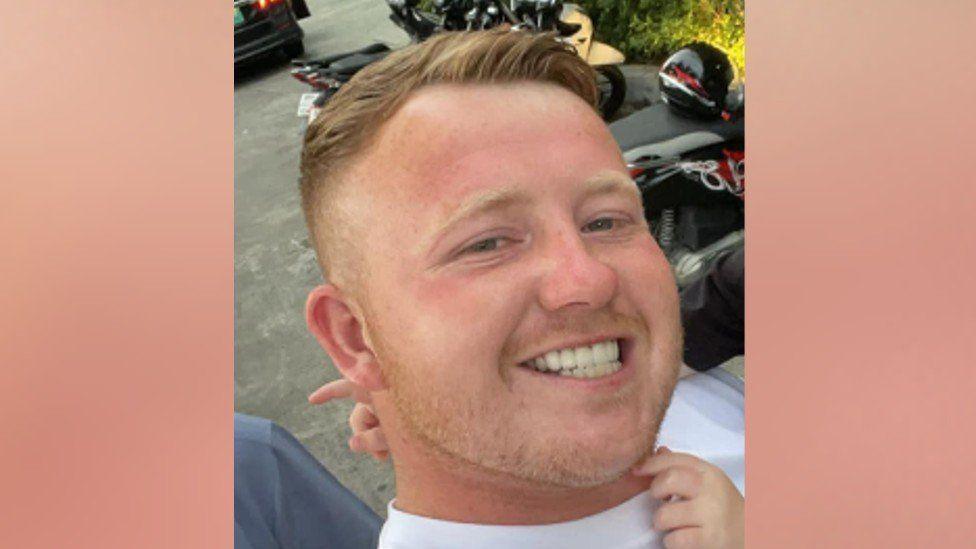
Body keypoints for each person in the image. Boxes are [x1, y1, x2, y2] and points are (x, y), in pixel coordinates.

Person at [297, 28, 744, 548]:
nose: (590, 280)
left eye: (605, 221)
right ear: (354, 337)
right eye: (487, 243)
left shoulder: (659, 386)